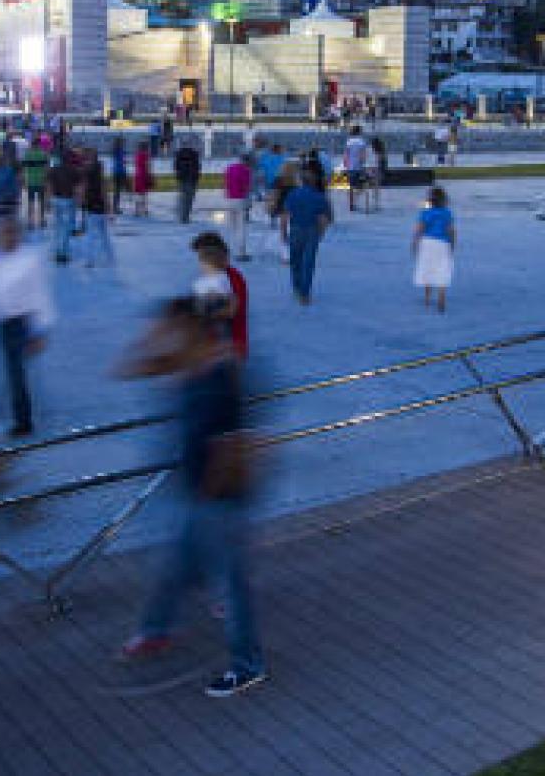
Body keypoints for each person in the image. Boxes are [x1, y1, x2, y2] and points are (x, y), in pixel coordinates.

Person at [116, 297, 267, 698]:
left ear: (192, 331)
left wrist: (206, 499)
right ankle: (155, 631)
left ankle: (248, 664)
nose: (165, 338)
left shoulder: (220, 376)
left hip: (218, 499)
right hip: (197, 496)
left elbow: (231, 446)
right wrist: (149, 339)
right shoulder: (189, 364)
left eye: (171, 330)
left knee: (230, 585)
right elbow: (127, 369)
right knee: (174, 569)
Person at [0, 216, 54, 437]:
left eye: (12, 232)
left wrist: (40, 330)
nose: (8, 237)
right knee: (11, 370)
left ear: (19, 235)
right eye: (5, 233)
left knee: (16, 373)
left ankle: (23, 421)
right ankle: (13, 411)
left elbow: (41, 296)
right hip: (2, 325)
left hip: (22, 324)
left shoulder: (30, 260)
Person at [279, 166, 334, 305]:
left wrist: (283, 232)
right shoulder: (319, 197)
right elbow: (323, 219)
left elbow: (285, 216)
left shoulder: (292, 194)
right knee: (308, 262)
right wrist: (321, 234)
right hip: (312, 230)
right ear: (314, 182)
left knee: (295, 261)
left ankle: (297, 287)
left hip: (296, 230)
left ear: (301, 181)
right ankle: (304, 294)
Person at [191, 232, 249, 359]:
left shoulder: (232, 279)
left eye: (202, 257)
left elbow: (231, 311)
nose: (200, 262)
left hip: (228, 348)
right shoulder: (214, 276)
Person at [412, 186, 457, 313]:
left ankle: (427, 298)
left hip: (427, 242)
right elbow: (451, 231)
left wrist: (414, 243)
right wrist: (452, 245)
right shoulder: (447, 213)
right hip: (442, 243)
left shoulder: (425, 213)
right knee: (443, 268)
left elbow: (419, 229)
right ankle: (441, 297)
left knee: (427, 267)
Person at [78, 151, 115, 268]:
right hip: (100, 209)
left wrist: (82, 203)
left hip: (91, 208)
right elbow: (106, 196)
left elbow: (82, 193)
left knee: (90, 235)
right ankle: (109, 258)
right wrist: (110, 211)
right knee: (104, 235)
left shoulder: (87, 179)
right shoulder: (102, 181)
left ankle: (90, 260)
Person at [47, 148, 80, 264]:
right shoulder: (74, 170)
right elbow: (77, 189)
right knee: (66, 228)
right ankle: (63, 253)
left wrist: (49, 200)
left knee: (57, 227)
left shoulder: (53, 170)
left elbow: (49, 186)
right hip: (68, 200)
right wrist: (78, 201)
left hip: (56, 200)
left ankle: (58, 251)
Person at [222, 153, 254, 262]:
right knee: (241, 227)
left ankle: (228, 250)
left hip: (229, 198)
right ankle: (241, 252)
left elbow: (225, 183)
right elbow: (247, 187)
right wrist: (249, 202)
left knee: (231, 226)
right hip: (240, 199)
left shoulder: (229, 168)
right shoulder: (246, 171)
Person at [173, 137, 202, 224]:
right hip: (191, 179)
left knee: (182, 198)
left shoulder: (179, 154)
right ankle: (186, 216)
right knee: (189, 199)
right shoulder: (194, 154)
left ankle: (182, 216)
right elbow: (197, 167)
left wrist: (178, 175)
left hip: (182, 179)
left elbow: (176, 167)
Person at [131, 141, 151, 218]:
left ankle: (137, 210)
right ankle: (144, 210)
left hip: (137, 175)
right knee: (144, 194)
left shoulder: (137, 155)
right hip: (143, 175)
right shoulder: (146, 155)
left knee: (138, 194)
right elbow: (147, 165)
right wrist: (149, 175)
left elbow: (136, 164)